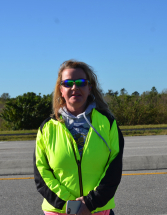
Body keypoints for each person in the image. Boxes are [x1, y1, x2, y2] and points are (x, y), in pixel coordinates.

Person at [33, 60, 124, 215]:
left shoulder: (108, 123)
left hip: (97, 209)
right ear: (60, 89)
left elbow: (114, 169)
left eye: (81, 82)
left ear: (89, 87)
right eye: (68, 83)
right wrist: (69, 205)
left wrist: (89, 203)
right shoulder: (46, 128)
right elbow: (42, 173)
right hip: (59, 210)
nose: (75, 87)